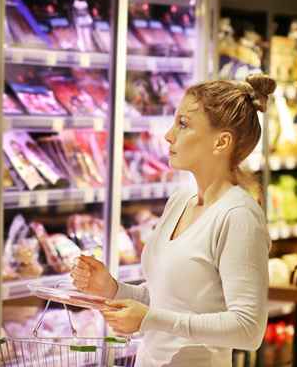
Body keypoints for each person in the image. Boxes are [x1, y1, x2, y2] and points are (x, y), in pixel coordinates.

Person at [71, 74, 276, 366]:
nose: (168, 135)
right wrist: (112, 288)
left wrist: (150, 320)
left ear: (221, 142)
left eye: (183, 124)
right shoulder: (181, 200)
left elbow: (248, 329)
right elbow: (169, 302)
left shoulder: (239, 216)